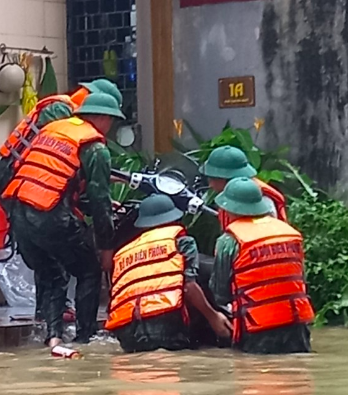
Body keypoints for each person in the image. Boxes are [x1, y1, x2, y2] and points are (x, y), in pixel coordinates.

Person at [0, 79, 122, 321]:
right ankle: (62, 315)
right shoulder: (62, 114)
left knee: (49, 255)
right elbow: (56, 163)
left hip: (20, 184)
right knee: (57, 247)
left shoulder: (63, 109)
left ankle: (51, 320)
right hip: (17, 183)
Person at [105, 194, 233, 353]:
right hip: (166, 325)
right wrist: (213, 317)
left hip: (127, 333)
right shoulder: (181, 241)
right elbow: (189, 287)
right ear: (173, 218)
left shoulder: (125, 252)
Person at [209, 178, 314, 354]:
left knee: (259, 376)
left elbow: (219, 291)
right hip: (296, 323)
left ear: (228, 208)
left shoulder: (229, 240)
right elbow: (300, 278)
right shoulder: (289, 232)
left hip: (258, 326)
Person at [199, 146, 287, 231]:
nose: (210, 184)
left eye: (212, 179)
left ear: (223, 178)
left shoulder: (260, 201)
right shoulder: (231, 196)